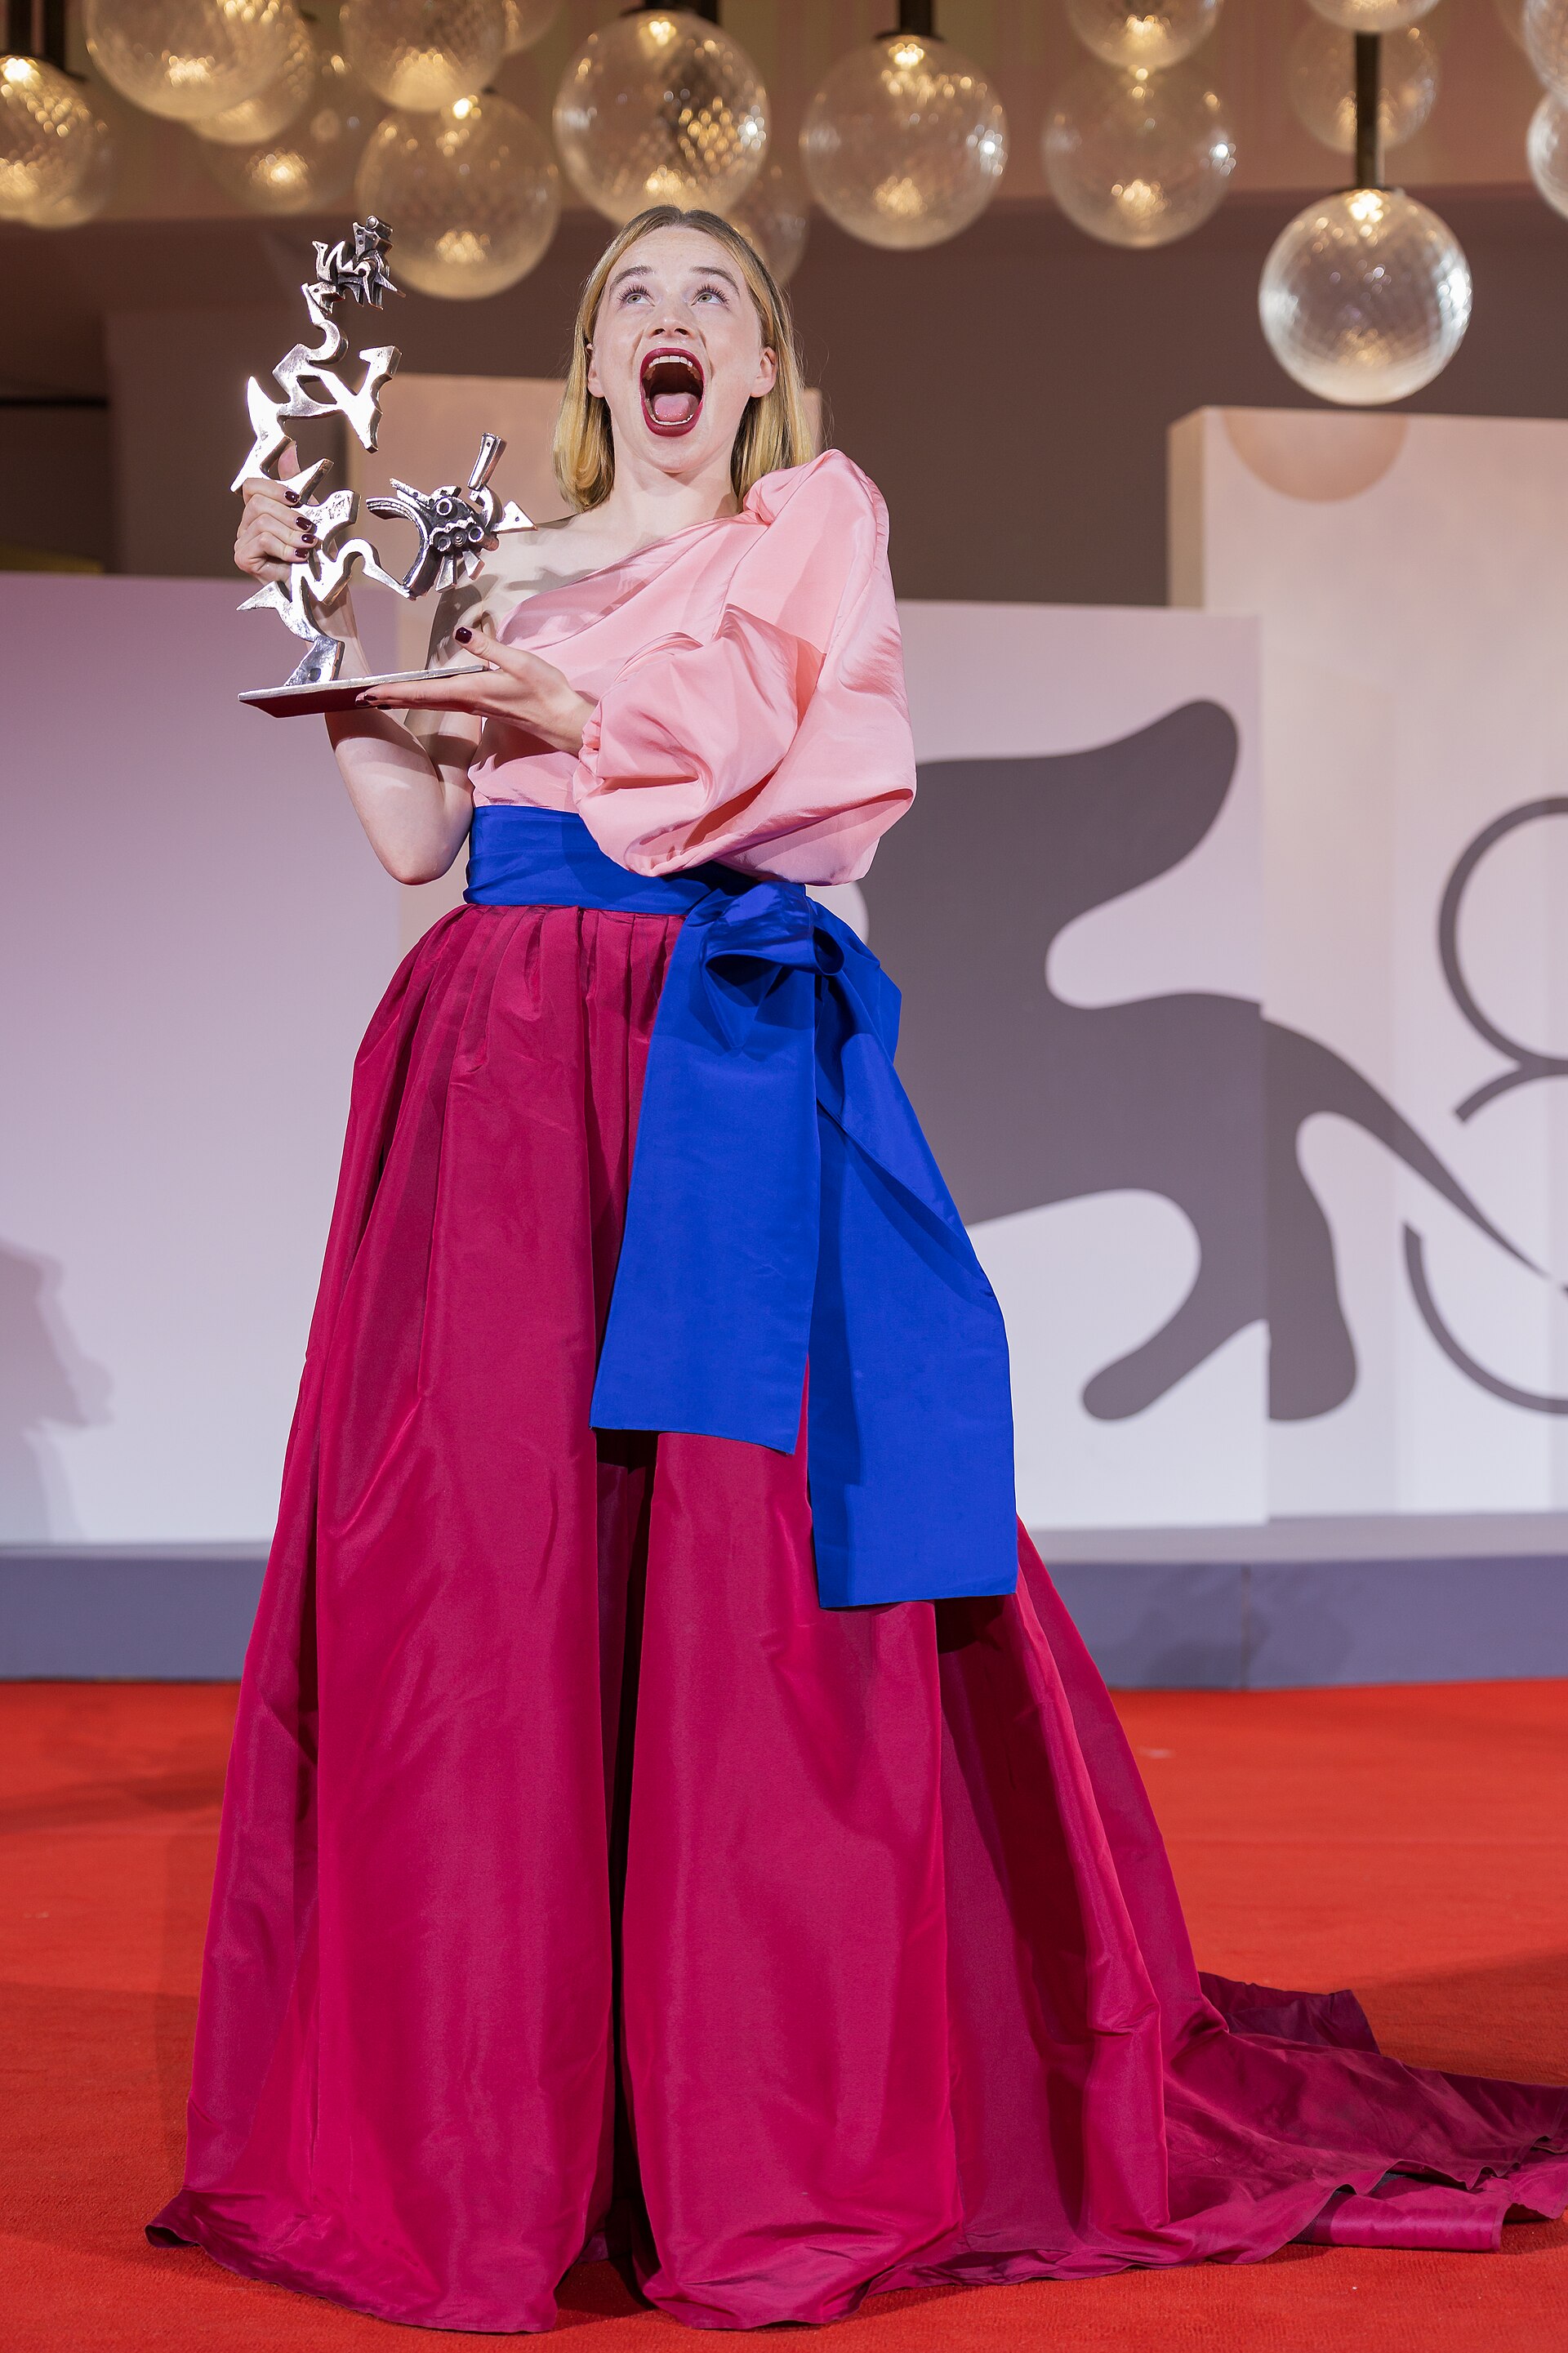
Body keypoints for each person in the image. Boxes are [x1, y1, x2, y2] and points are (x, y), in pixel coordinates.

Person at [149, 208, 1568, 2334]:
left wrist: (566, 708)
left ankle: (748, 2116)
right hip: (488, 1090)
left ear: (765, 364)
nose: (672, 318)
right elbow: (409, 836)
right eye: (635, 291)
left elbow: (794, 785)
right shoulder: (503, 558)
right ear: (585, 356)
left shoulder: (810, 520)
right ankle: (502, 2133)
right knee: (490, 1579)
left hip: (695, 1066)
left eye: (714, 293)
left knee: (738, 1584)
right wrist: (321, 607)